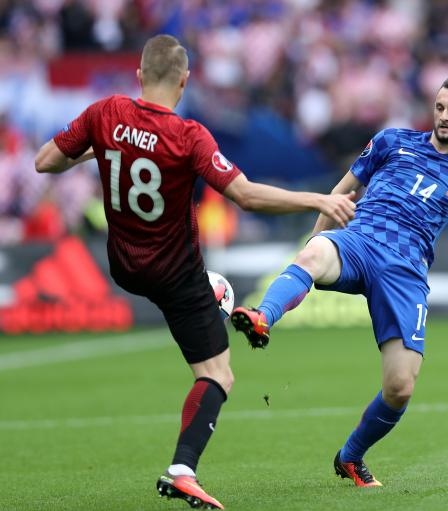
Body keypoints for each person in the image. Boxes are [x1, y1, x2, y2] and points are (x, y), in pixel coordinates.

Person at [34, 34, 356, 509]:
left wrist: (98, 149)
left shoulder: (105, 114)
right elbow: (245, 195)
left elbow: (45, 162)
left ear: (140, 75)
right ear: (184, 81)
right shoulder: (189, 137)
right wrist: (318, 198)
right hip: (173, 271)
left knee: (212, 291)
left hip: (123, 264)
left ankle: (216, 294)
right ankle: (183, 470)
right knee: (218, 375)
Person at [231, 74, 448, 487]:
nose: (443, 116)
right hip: (360, 241)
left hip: (406, 273)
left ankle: (350, 457)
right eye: (440, 107)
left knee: (400, 387)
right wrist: (316, 239)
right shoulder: (391, 141)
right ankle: (263, 317)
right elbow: (341, 191)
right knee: (314, 253)